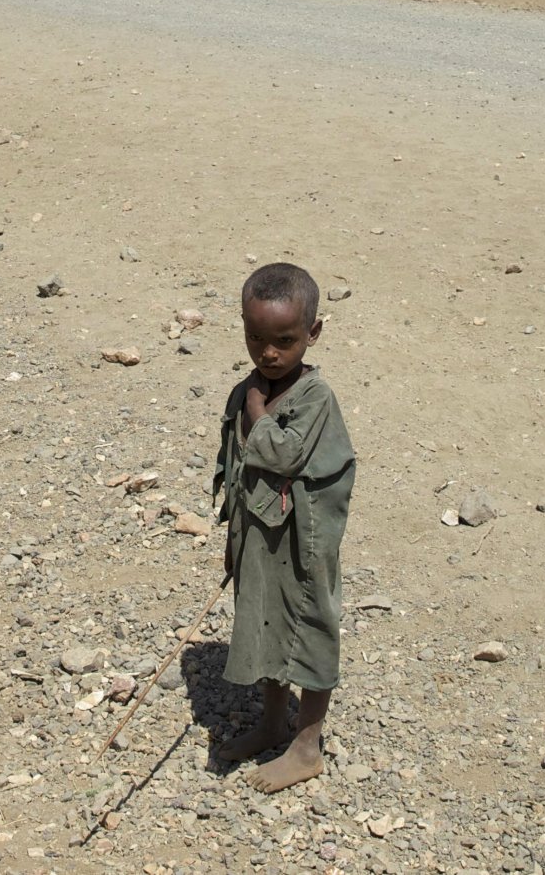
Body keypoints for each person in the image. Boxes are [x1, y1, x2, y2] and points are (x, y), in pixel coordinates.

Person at [212, 261, 355, 793]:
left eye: (285, 340)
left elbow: (285, 454)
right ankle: (273, 722)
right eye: (256, 338)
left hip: (304, 544)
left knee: (311, 625)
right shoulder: (245, 389)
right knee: (264, 620)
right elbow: (233, 464)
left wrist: (256, 412)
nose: (268, 353)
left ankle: (306, 746)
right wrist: (233, 536)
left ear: (313, 334)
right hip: (258, 538)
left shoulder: (313, 397)